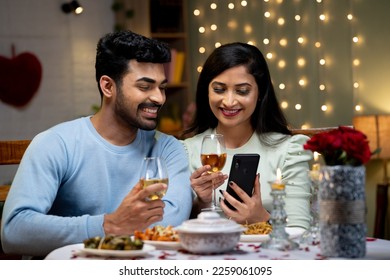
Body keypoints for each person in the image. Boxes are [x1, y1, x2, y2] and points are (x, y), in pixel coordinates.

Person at [1, 30, 192, 257]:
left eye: (162, 87)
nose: (159, 98)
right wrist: (108, 225)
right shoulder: (55, 144)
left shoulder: (169, 148)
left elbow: (171, 222)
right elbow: (14, 232)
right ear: (108, 87)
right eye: (145, 86)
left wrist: (114, 227)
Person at [182, 42, 312, 229]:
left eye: (242, 91)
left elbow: (300, 232)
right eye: (219, 89)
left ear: (260, 93)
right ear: (206, 91)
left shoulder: (289, 150)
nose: (229, 101)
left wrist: (261, 219)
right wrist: (202, 203)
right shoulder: (188, 150)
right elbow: (174, 229)